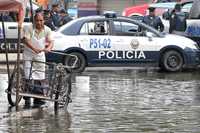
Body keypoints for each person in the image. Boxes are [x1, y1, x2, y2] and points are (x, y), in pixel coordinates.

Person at [23, 12, 53, 107]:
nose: (39, 22)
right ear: (34, 21)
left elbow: (51, 41)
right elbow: (26, 40)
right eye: (37, 20)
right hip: (28, 54)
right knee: (28, 74)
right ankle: (26, 96)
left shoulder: (47, 30)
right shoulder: (28, 28)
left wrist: (49, 48)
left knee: (40, 75)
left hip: (40, 55)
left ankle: (38, 97)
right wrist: (34, 49)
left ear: (44, 20)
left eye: (41, 20)